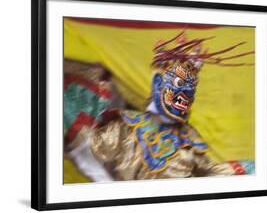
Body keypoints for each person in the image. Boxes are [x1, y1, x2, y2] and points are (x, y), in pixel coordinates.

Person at [65, 32, 255, 182]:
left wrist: (238, 169)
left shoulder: (189, 136)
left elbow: (203, 172)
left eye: (190, 91)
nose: (184, 98)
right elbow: (89, 153)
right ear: (158, 85)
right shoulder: (126, 125)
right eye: (180, 87)